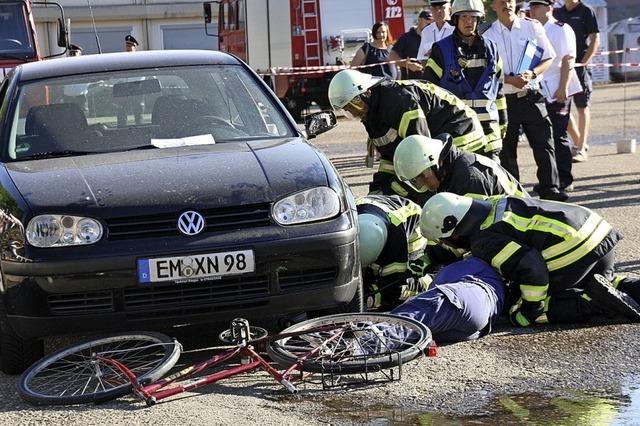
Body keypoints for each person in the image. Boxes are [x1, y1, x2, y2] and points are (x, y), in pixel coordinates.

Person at [419, 192, 640, 327]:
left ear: (454, 232)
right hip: (598, 234)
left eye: (445, 241)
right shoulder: (493, 204)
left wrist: (527, 313)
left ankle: (590, 304)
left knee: (523, 300)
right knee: (608, 284)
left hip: (572, 251)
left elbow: (532, 268)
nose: (447, 246)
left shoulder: (483, 240)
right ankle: (630, 288)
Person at [328, 69, 489, 205]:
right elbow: (390, 157)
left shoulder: (398, 102)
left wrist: (403, 191)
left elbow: (421, 156)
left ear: (367, 92)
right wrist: (378, 190)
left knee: (441, 191)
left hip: (461, 131)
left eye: (354, 105)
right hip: (435, 136)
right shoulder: (371, 113)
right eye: (347, 110)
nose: (354, 112)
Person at [483, 0, 568, 202]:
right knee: (507, 149)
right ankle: (515, 194)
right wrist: (509, 80)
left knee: (544, 142)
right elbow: (486, 70)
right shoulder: (487, 34)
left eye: (510, 1)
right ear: (493, 6)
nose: (507, 4)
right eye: (501, 1)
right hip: (504, 99)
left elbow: (548, 57)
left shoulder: (532, 26)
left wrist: (532, 73)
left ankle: (550, 189)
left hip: (532, 95)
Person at [424, 0, 506, 161]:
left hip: (489, 132)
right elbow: (429, 91)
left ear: (479, 20)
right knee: (461, 178)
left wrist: (503, 122)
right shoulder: (440, 50)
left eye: (473, 17)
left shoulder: (492, 49)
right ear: (455, 19)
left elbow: (499, 90)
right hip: (458, 131)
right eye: (464, 17)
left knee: (492, 178)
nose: (469, 21)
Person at [391, 256, 507, 343]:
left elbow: (439, 285)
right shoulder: (497, 281)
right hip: (480, 324)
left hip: (467, 298)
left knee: (398, 325)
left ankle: (373, 341)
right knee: (413, 335)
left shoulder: (474, 263)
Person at [529, 0, 579, 192]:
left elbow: (568, 59)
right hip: (539, 88)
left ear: (549, 8)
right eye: (531, 6)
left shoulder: (561, 29)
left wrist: (563, 87)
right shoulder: (532, 28)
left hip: (558, 87)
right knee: (542, 137)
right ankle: (549, 179)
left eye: (537, 6)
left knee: (558, 135)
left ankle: (565, 178)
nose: (532, 10)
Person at [393, 134, 528, 198]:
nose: (422, 182)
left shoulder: (468, 179)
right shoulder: (449, 173)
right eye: (416, 180)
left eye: (423, 176)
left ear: (436, 164)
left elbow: (475, 231)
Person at [356, 195, 430, 309]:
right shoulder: (348, 223)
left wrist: (370, 297)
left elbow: (394, 282)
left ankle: (429, 283)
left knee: (397, 286)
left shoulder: (396, 235)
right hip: (378, 212)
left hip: (413, 233)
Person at [554, 0, 600, 163]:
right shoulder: (558, 12)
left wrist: (584, 62)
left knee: (582, 106)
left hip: (580, 66)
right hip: (561, 67)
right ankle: (580, 141)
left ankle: (581, 148)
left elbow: (595, 38)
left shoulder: (587, 11)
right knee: (561, 105)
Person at [389, 11, 432, 80]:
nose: (429, 24)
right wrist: (408, 65)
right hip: (411, 84)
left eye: (432, 22)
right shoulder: (406, 37)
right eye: (427, 20)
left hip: (430, 82)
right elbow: (392, 56)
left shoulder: (433, 37)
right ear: (419, 20)